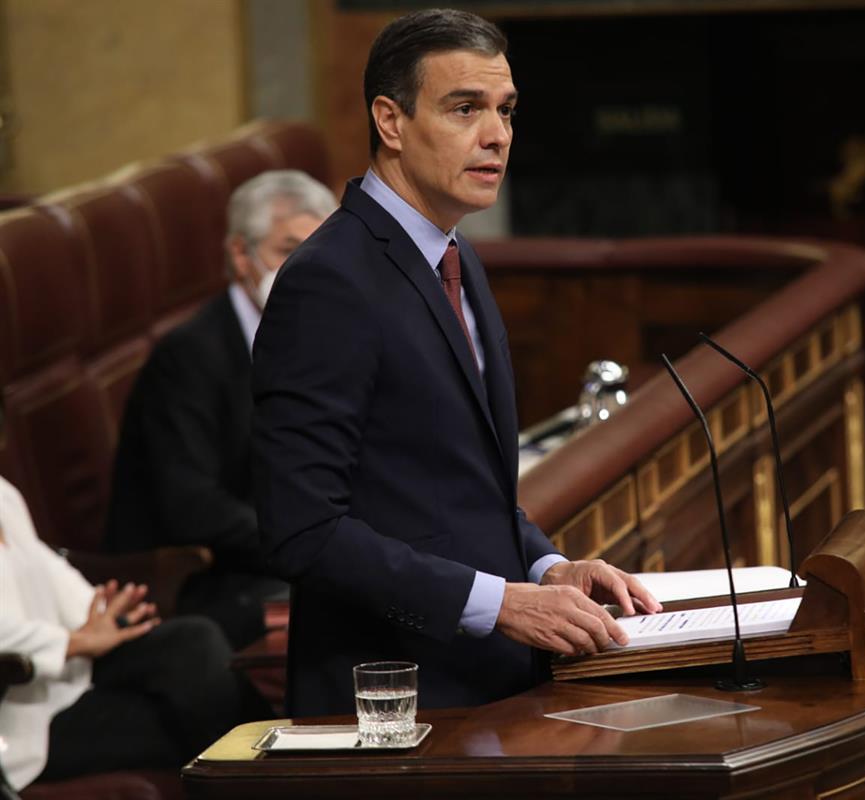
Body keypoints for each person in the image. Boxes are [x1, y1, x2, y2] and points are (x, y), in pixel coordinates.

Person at [251, 8, 661, 717]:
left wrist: (547, 566)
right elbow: (303, 529)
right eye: (465, 108)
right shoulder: (329, 280)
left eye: (505, 110)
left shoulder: (456, 253)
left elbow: (457, 485)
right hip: (394, 701)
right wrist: (497, 603)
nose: (496, 134)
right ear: (391, 121)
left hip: (488, 687)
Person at [105, 170, 337, 650]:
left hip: (294, 550)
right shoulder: (189, 356)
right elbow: (192, 507)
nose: (306, 270)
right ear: (239, 255)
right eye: (287, 251)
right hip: (209, 579)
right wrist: (312, 541)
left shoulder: (323, 335)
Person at [0, 452, 242, 790]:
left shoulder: (4, 494)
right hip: (21, 725)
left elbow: (48, 569)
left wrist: (103, 615)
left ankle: (268, 766)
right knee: (189, 724)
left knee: (194, 641)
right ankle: (262, 780)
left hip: (72, 680)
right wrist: (76, 641)